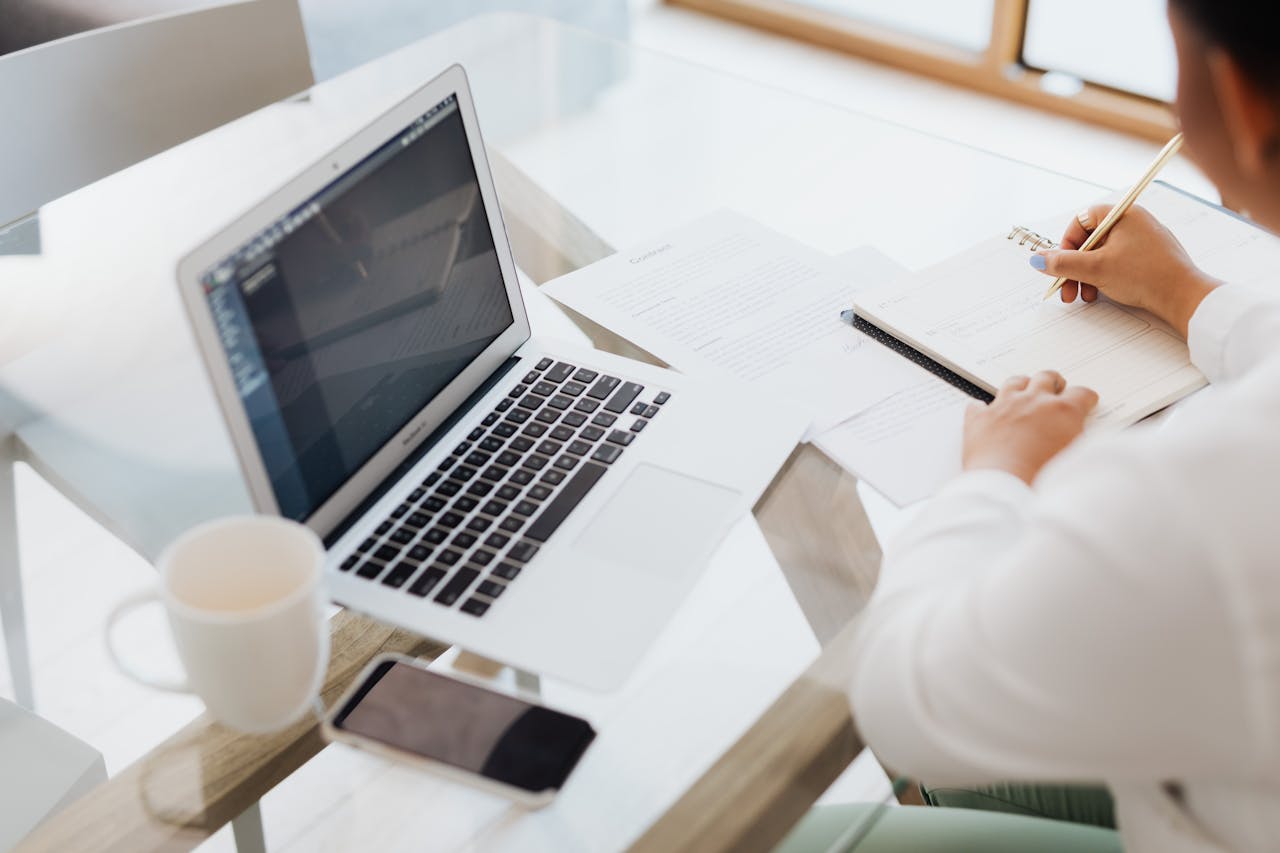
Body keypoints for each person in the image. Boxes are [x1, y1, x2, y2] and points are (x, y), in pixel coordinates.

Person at [780, 2, 1280, 851]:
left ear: (1238, 97)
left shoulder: (1210, 492)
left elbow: (908, 705)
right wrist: (1184, 293)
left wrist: (993, 474)